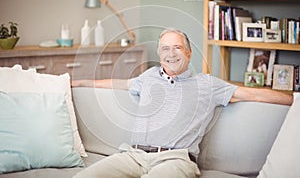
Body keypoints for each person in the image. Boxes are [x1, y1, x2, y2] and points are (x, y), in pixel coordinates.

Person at [71, 28, 293, 178]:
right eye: (165, 48)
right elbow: (116, 83)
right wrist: (77, 83)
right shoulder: (148, 77)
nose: (171, 54)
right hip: (132, 155)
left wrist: (295, 98)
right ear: (159, 54)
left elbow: (253, 95)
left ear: (188, 52)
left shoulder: (208, 85)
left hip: (175, 159)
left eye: (177, 47)